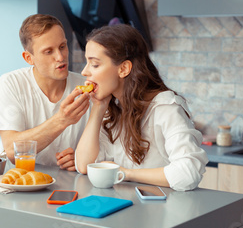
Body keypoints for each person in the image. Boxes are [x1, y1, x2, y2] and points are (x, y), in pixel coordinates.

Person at [75, 24, 208, 191]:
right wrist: (98, 107)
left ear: (123, 69)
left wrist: (126, 174)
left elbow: (188, 173)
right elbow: (84, 165)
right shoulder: (112, 108)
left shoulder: (165, 107)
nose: (84, 72)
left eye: (94, 64)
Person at [0, 14, 91, 171]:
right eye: (48, 51)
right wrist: (61, 120)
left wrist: (83, 158)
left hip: (70, 184)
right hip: (21, 182)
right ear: (28, 58)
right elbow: (11, 150)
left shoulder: (86, 86)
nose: (60, 57)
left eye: (62, 46)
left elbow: (107, 150)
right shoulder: (11, 84)